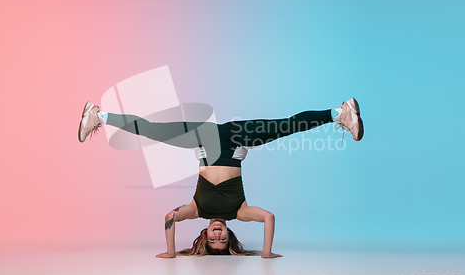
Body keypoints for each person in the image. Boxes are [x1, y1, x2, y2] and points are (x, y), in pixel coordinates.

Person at [78, 98, 364, 259]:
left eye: (213, 239)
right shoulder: (238, 212)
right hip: (238, 138)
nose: (217, 234)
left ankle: (99, 115)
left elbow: (169, 217)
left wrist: (170, 251)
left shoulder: (197, 210)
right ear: (230, 237)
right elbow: (268, 218)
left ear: (204, 237)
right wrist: (266, 253)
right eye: (222, 240)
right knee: (285, 127)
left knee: (153, 131)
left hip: (204, 139)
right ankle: (340, 113)